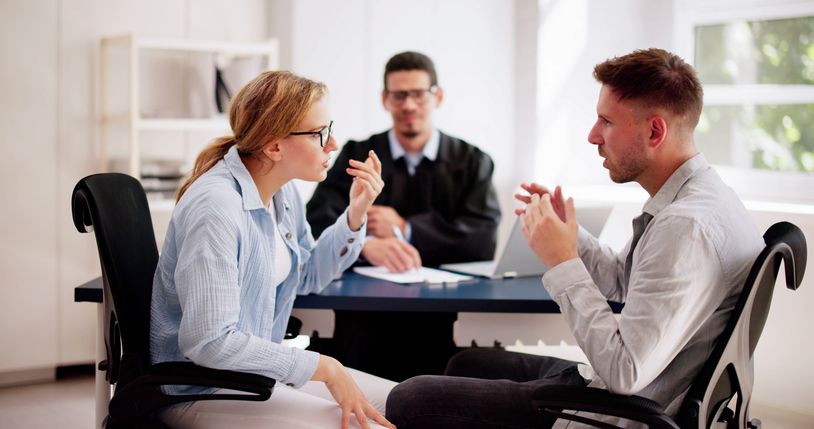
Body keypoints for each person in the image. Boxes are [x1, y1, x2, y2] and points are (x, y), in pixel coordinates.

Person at [385, 48, 765, 428]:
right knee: (466, 363)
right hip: (612, 385)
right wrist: (569, 234)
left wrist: (562, 260)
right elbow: (623, 282)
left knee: (408, 399)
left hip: (612, 411)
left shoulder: (684, 226)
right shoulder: (703, 197)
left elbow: (623, 373)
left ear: (654, 131)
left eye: (607, 121)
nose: (593, 135)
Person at [150, 70, 396, 429]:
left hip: (251, 376)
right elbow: (209, 342)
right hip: (200, 388)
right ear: (273, 146)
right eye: (319, 133)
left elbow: (307, 275)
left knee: (404, 403)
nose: (332, 144)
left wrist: (355, 214)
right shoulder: (216, 208)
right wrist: (325, 367)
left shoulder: (282, 192)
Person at [305, 52, 502, 381]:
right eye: (399, 95)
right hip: (363, 311)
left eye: (419, 94)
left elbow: (482, 237)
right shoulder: (356, 155)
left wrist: (406, 228)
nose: (409, 105)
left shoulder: (472, 161)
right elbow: (316, 220)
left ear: (437, 96)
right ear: (385, 99)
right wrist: (363, 244)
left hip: (444, 314)